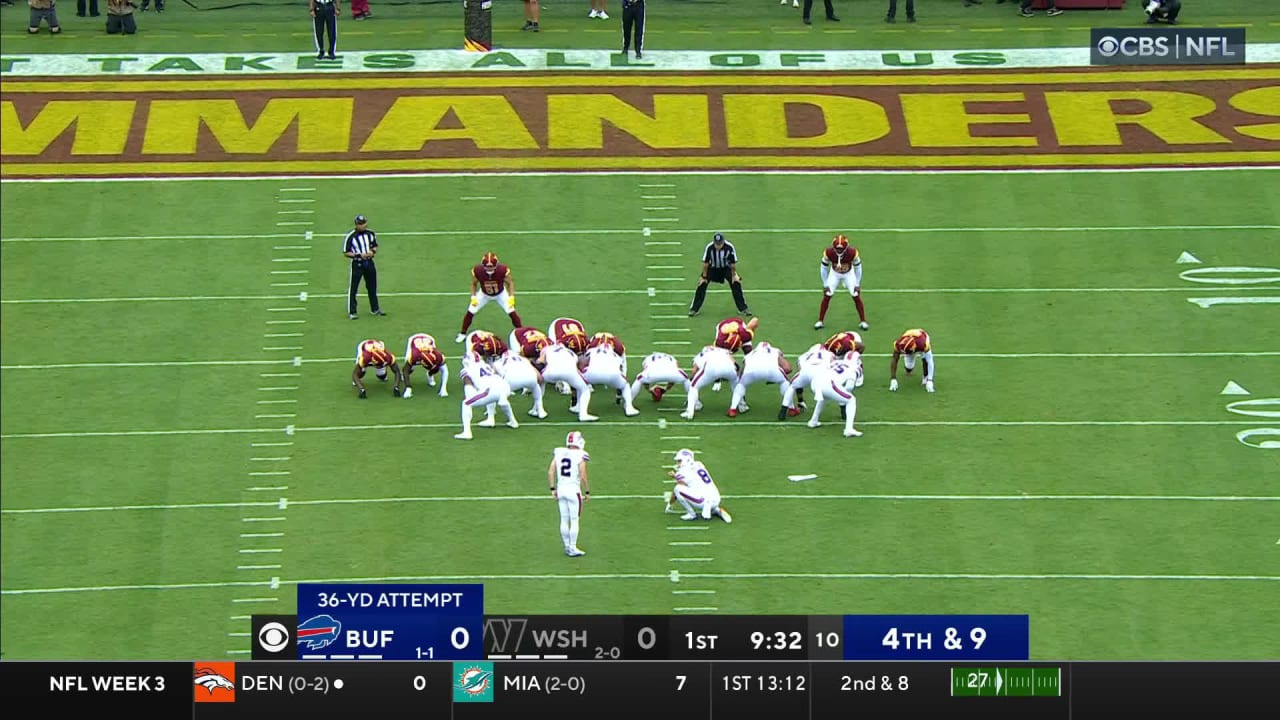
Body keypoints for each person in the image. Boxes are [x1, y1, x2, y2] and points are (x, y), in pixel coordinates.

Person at [455, 252, 521, 343]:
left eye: (491, 267)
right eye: (487, 267)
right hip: (484, 294)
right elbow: (473, 284)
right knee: (471, 311)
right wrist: (473, 297)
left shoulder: (502, 270)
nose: (489, 269)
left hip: (500, 294)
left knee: (512, 312)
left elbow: (510, 283)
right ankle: (462, 333)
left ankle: (522, 334)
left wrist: (511, 297)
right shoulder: (478, 271)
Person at [454, 352, 518, 440]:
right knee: (496, 397)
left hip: (490, 390)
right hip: (505, 386)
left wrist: (470, 397)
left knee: (466, 403)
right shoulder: (485, 365)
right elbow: (498, 374)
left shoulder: (466, 370)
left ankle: (467, 432)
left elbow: (468, 387)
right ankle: (511, 421)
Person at [549, 431, 591, 557]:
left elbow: (551, 472)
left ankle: (567, 546)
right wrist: (587, 490)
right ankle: (572, 547)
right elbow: (583, 475)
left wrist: (552, 488)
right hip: (573, 491)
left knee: (563, 519)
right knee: (574, 520)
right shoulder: (581, 454)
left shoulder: (559, 452)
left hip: (561, 489)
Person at [815, 234, 868, 331]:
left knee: (855, 295)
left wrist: (857, 283)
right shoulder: (829, 252)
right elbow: (823, 267)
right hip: (834, 274)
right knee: (827, 294)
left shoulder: (852, 252)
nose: (839, 251)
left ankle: (863, 321)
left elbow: (858, 268)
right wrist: (825, 283)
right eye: (837, 249)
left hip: (849, 274)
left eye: (841, 249)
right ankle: (820, 321)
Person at [689, 233, 749, 318]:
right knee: (701, 284)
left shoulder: (729, 247)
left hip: (725, 268)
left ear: (723, 242)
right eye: (716, 244)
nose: (718, 246)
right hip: (712, 268)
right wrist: (704, 277)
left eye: (720, 244)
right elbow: (706, 263)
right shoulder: (709, 248)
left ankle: (743, 308)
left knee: (736, 283)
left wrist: (734, 275)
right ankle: (694, 309)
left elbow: (732, 264)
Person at [665, 449, 732, 523]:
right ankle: (717, 509)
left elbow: (678, 489)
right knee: (703, 490)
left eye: (679, 461)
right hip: (716, 498)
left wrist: (670, 503)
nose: (677, 463)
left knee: (677, 489)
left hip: (703, 502)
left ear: (687, 460)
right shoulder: (699, 464)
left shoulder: (682, 472)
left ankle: (691, 514)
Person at [728, 341, 791, 418]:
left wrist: (741, 381)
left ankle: (733, 409)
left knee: (741, 385)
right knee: (785, 382)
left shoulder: (750, 354)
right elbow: (788, 369)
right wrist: (774, 378)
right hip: (771, 370)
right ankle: (792, 409)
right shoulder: (775, 351)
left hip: (750, 371)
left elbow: (743, 369)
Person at [537, 341, 597, 422]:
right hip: (570, 372)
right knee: (585, 390)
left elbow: (540, 362)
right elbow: (576, 367)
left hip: (551, 371)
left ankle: (538, 409)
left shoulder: (547, 349)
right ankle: (582, 413)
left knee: (541, 383)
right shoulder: (571, 352)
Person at [805, 353, 863, 437]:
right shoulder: (854, 367)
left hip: (815, 382)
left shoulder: (837, 362)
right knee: (851, 400)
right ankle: (849, 429)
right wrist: (842, 398)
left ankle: (813, 421)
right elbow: (849, 386)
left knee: (825, 397)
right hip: (828, 384)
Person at [580, 344, 641, 417]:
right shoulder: (615, 355)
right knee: (625, 384)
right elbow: (620, 368)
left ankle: (580, 409)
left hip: (592, 374)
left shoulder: (591, 351)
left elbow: (582, 363)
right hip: (612, 375)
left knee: (580, 384)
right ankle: (629, 407)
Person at [779, 342, 834, 419]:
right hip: (821, 371)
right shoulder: (829, 354)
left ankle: (783, 410)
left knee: (792, 386)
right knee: (827, 391)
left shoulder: (804, 356)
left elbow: (800, 371)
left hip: (806, 370)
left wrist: (800, 399)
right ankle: (843, 409)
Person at [681, 344, 738, 420]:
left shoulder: (702, 354)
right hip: (729, 367)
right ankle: (741, 405)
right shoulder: (723, 351)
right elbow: (735, 364)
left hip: (711, 367)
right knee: (737, 385)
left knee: (693, 387)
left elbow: (694, 369)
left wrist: (692, 378)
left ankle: (690, 412)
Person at [343, 214, 382, 319]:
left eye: (364, 223)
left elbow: (375, 245)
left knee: (372, 287)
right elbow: (346, 252)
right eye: (360, 224)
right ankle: (352, 312)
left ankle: (375, 309)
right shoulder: (351, 236)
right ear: (356, 225)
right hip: (358, 264)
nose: (363, 225)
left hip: (369, 263)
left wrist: (372, 252)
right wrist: (359, 255)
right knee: (354, 289)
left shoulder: (370, 234)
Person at [495, 348, 547, 419]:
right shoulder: (524, 359)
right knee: (536, 387)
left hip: (512, 380)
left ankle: (492, 415)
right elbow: (539, 376)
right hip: (530, 377)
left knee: (496, 392)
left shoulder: (499, 361)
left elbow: (498, 375)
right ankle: (541, 410)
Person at [401, 333, 448, 400]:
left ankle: (430, 375)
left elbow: (445, 371)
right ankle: (406, 382)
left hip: (429, 338)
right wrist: (408, 388)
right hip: (413, 340)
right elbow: (405, 370)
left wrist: (444, 389)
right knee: (409, 368)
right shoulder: (414, 356)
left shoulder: (439, 356)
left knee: (436, 368)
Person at [889, 328, 935, 393]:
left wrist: (930, 380)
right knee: (909, 367)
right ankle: (909, 370)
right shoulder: (899, 344)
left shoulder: (923, 344)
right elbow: (894, 358)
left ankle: (925, 377)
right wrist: (893, 379)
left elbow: (930, 360)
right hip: (910, 340)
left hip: (921, 337)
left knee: (925, 358)